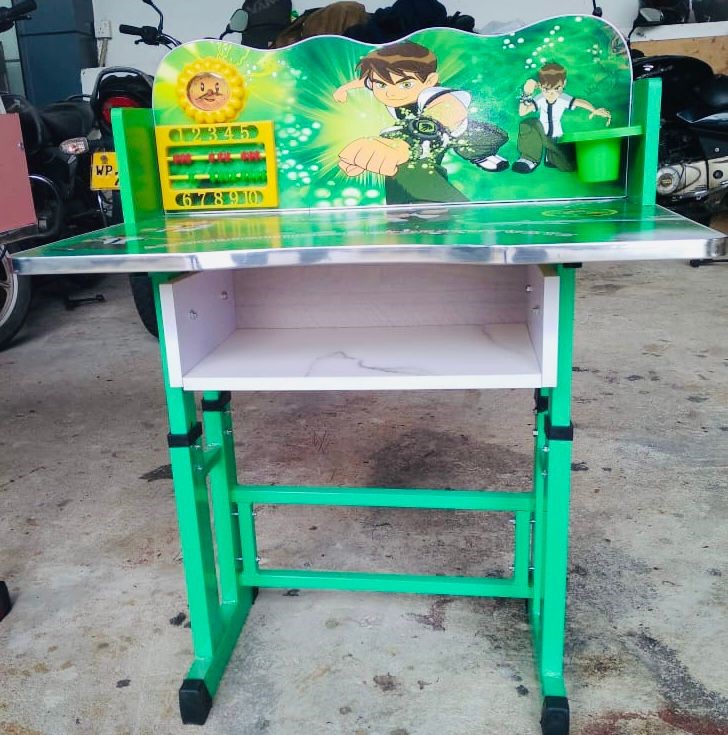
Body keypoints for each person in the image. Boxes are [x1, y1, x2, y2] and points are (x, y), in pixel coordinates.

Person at [334, 41, 509, 205]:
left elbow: (447, 111)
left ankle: (482, 156)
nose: (390, 93)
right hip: (427, 139)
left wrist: (404, 143)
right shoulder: (378, 82)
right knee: (416, 164)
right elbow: (367, 81)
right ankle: (415, 206)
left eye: (406, 85)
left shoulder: (436, 95)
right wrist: (344, 89)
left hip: (458, 132)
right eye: (381, 85)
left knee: (478, 142)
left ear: (430, 80)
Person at [512, 62, 611, 174]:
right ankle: (529, 158)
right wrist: (526, 94)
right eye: (546, 89)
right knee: (528, 124)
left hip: (555, 137)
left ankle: (551, 157)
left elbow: (579, 102)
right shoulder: (540, 98)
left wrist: (593, 110)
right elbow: (522, 112)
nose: (551, 94)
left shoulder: (563, 99)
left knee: (567, 166)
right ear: (540, 86)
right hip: (540, 132)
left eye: (557, 89)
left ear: (564, 84)